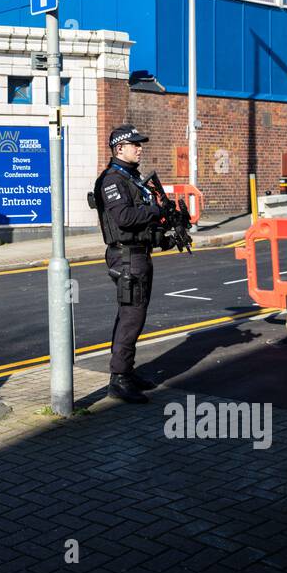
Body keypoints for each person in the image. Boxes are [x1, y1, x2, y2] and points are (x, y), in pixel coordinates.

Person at [92, 125, 166, 404]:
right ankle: (119, 379)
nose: (140, 147)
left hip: (137, 254)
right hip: (126, 257)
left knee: (132, 315)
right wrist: (153, 210)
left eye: (140, 143)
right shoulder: (113, 180)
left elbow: (139, 219)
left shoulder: (130, 178)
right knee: (132, 317)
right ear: (119, 148)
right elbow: (123, 217)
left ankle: (126, 371)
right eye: (135, 144)